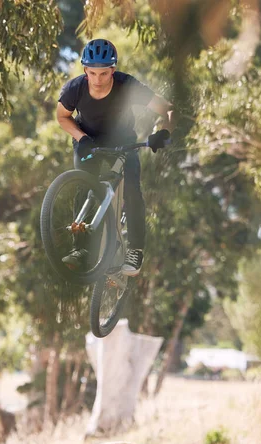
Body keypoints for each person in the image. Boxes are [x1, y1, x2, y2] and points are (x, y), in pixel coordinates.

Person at [56, 38, 173, 276]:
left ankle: (135, 250)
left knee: (131, 189)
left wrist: (163, 132)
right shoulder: (74, 89)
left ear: (113, 70)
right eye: (92, 73)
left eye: (104, 74)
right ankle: (82, 250)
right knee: (84, 186)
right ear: (85, 70)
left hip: (122, 140)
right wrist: (81, 138)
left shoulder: (127, 85)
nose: (98, 80)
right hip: (87, 138)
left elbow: (168, 108)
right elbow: (62, 117)